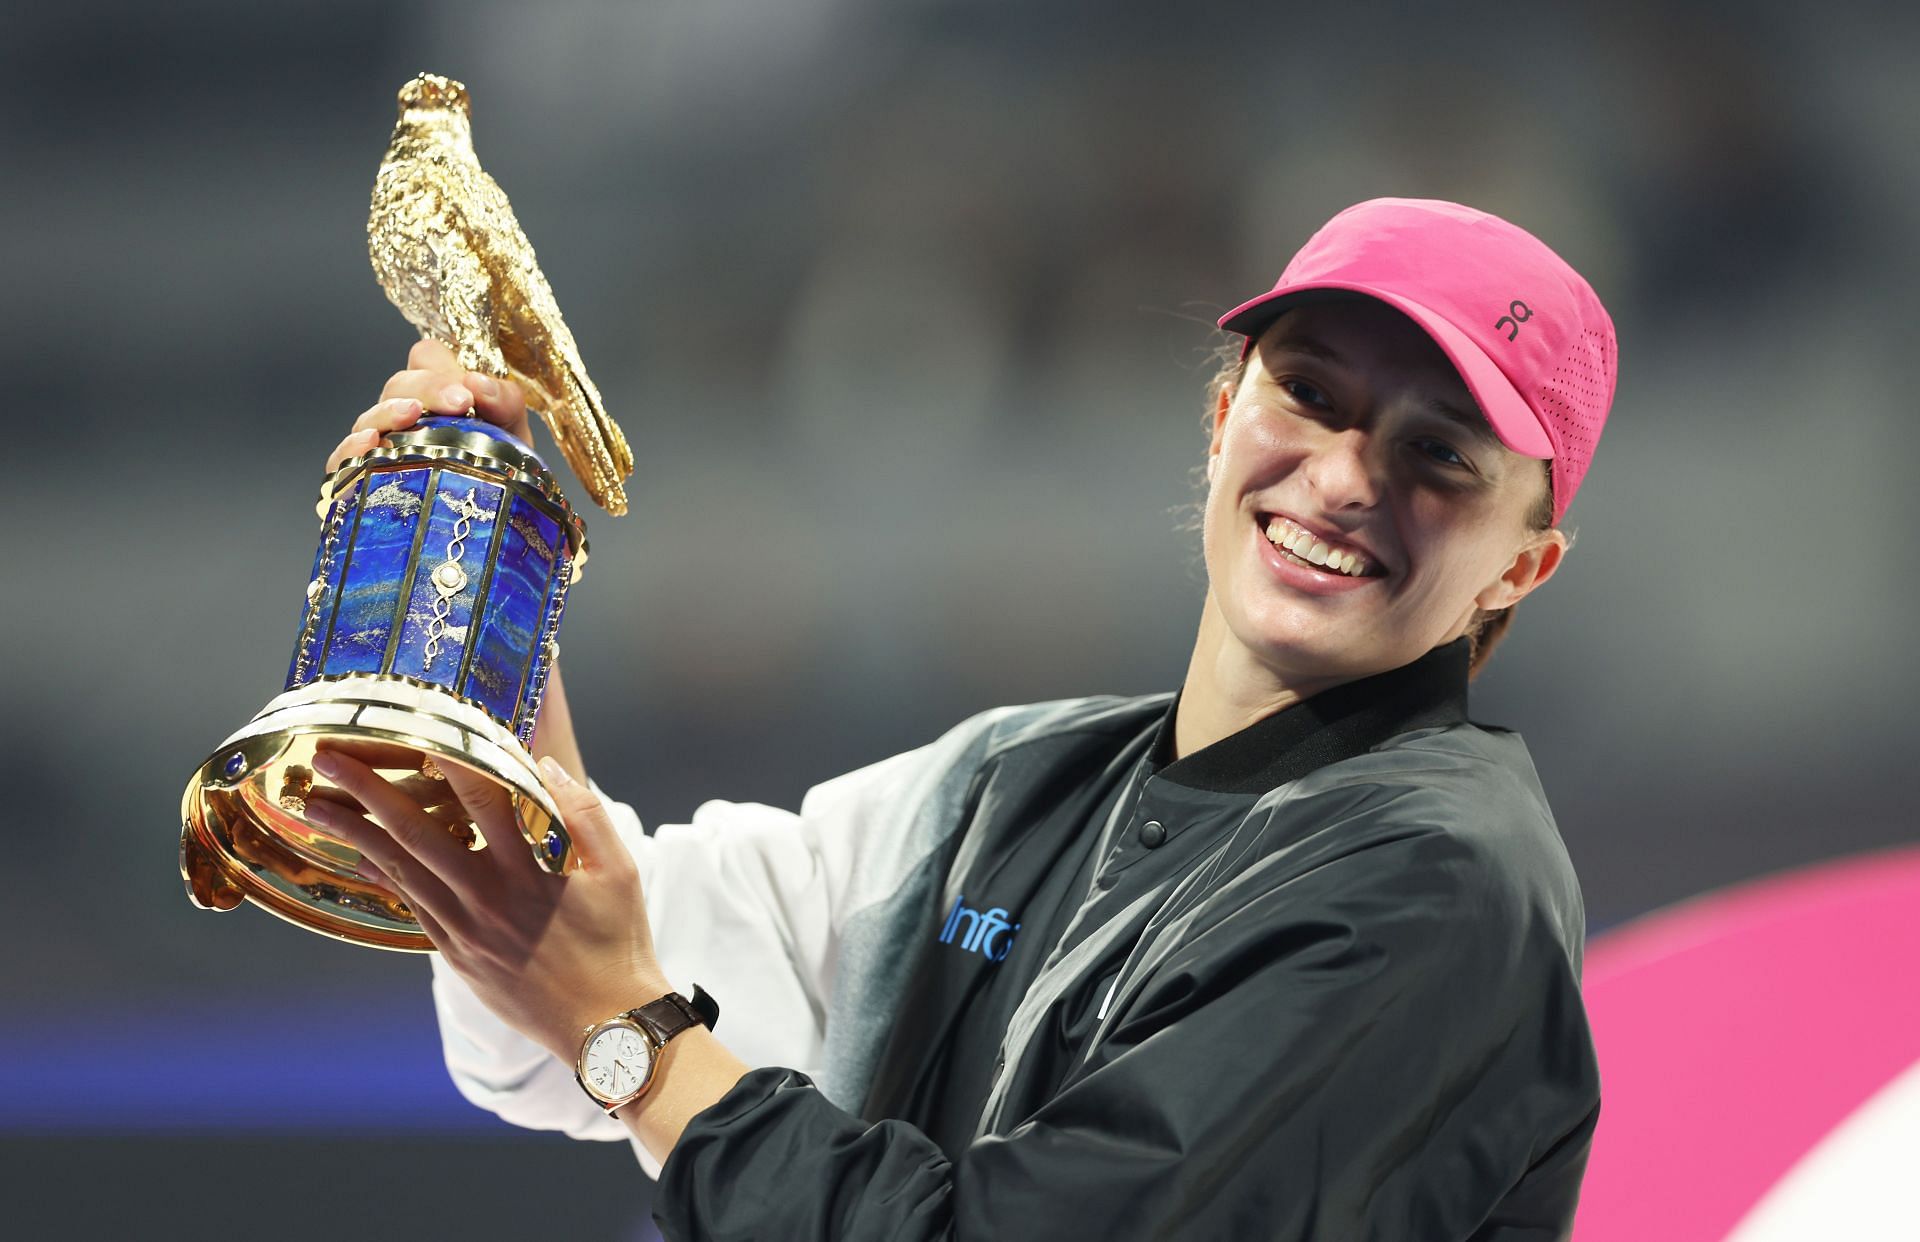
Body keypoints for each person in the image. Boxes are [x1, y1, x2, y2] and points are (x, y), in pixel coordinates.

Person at [308, 196, 1615, 1240]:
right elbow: (596, 961)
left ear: (1521, 565)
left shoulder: (1437, 884)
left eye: (1438, 454)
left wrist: (634, 1043)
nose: (1340, 477)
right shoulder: (1010, 779)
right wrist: (473, 576)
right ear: (1222, 421)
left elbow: (624, 1008)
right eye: (1312, 394)